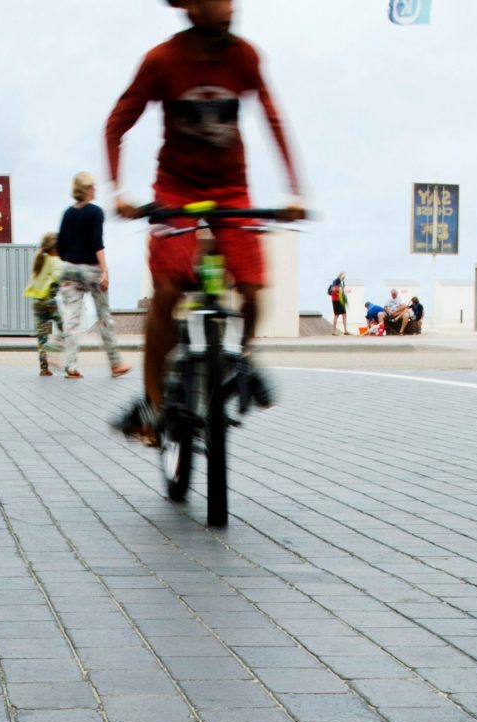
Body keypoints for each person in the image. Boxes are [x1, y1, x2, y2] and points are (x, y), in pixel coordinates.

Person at [107, 0, 304, 441]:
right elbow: (117, 123)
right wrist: (118, 191)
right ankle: (155, 404)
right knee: (169, 291)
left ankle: (243, 359)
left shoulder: (244, 56)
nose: (230, 7)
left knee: (252, 289)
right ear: (192, 7)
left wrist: (294, 190)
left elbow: (273, 119)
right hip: (176, 189)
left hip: (231, 188)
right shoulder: (162, 61)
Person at [58, 171, 130, 380]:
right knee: (104, 317)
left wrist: (71, 258)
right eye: (93, 187)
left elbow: (60, 245)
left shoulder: (67, 214)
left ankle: (70, 366)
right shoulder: (95, 212)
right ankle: (115, 363)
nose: (95, 190)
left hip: (69, 269)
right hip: (90, 269)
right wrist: (105, 271)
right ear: (88, 190)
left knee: (71, 319)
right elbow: (97, 243)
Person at [23, 232, 63, 376]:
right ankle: (53, 351)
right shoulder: (56, 261)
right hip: (50, 302)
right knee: (65, 329)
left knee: (42, 337)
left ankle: (44, 368)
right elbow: (59, 277)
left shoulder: (39, 260)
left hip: (37, 303)